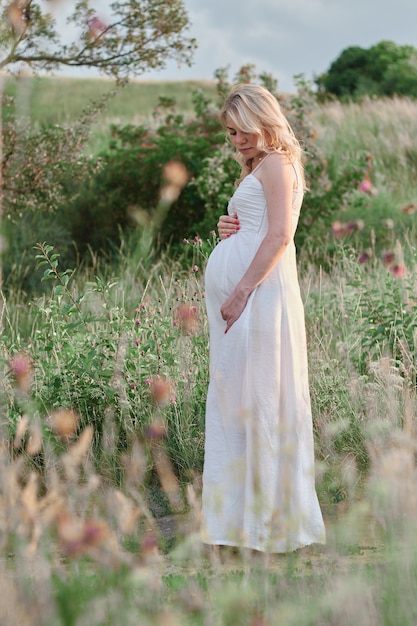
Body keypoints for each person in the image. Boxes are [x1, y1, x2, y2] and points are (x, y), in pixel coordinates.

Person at [201, 84, 325, 554]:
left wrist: (239, 291)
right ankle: (238, 522)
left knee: (259, 399)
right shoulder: (260, 166)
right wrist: (229, 226)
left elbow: (278, 236)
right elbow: (256, 227)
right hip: (245, 301)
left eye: (242, 130)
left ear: (262, 119)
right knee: (239, 399)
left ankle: (264, 523)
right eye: (231, 133)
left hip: (258, 298)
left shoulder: (277, 162)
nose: (237, 140)